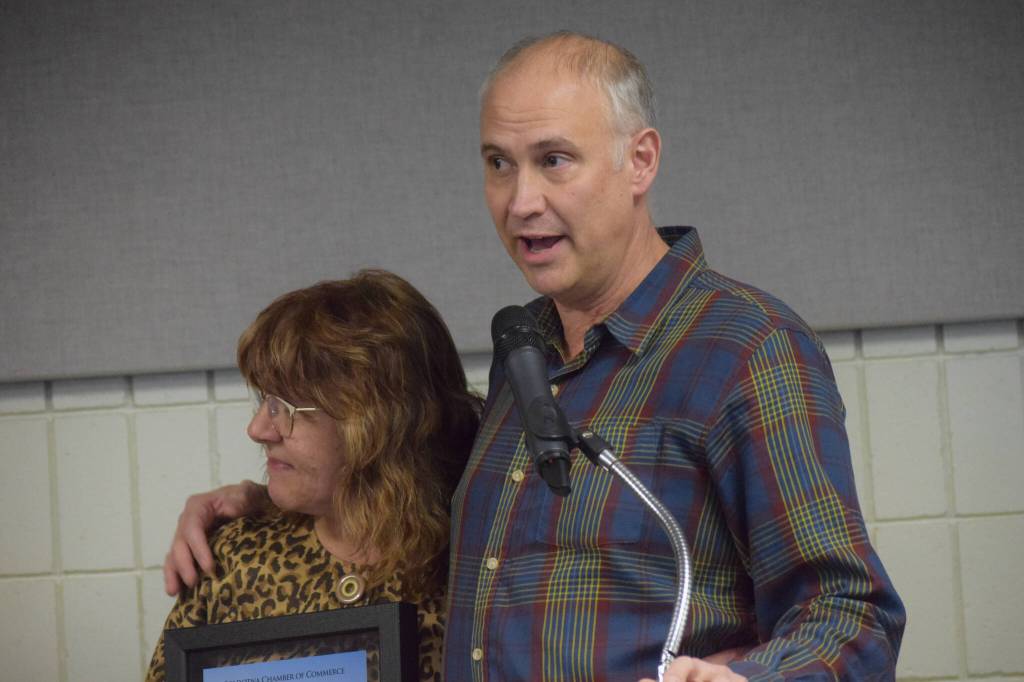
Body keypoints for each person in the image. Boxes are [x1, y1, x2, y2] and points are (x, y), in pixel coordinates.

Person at [164, 32, 905, 681]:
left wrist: (754, 681)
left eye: (554, 161)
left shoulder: (746, 349)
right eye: (498, 163)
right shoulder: (527, 355)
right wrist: (256, 503)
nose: (520, 201)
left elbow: (848, 613)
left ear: (639, 161)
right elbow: (401, 467)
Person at [147, 270, 480, 682]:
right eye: (264, 401)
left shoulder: (482, 564)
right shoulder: (233, 559)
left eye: (285, 407)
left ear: (376, 424)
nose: (258, 430)